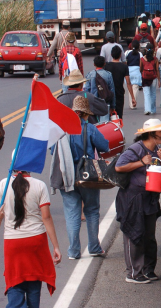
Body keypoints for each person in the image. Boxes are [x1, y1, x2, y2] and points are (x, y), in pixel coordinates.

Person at [0, 166, 61, 307]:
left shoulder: (4, 185)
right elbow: (46, 217)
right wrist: (56, 246)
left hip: (12, 243)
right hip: (36, 241)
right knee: (34, 284)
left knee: (14, 283)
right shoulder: (39, 185)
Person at [115, 119, 161, 284]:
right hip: (134, 199)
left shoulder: (158, 149)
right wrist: (141, 162)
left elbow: (159, 171)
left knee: (149, 236)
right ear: (152, 134)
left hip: (150, 198)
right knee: (135, 234)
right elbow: (119, 167)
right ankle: (134, 273)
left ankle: (149, 270)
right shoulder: (135, 149)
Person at [62, 96, 109, 260]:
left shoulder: (62, 130)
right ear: (84, 114)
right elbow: (105, 146)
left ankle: (74, 251)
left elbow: (54, 152)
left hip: (66, 175)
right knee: (92, 210)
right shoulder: (90, 129)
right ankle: (94, 247)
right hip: (87, 175)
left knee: (72, 213)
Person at [105, 46, 136, 119]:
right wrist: (133, 98)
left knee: (109, 116)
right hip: (119, 93)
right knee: (119, 116)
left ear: (111, 55)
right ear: (120, 55)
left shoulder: (106, 66)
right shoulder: (124, 67)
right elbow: (128, 82)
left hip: (108, 93)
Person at [140, 44, 160, 116]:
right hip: (153, 78)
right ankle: (153, 109)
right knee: (153, 94)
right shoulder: (155, 59)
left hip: (145, 78)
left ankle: (147, 109)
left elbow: (140, 69)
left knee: (146, 94)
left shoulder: (142, 59)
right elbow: (157, 70)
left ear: (146, 49)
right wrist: (159, 80)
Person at [124, 40, 142, 110]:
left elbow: (125, 62)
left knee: (129, 88)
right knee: (135, 88)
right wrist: (140, 71)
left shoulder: (127, 52)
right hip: (137, 71)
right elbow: (141, 64)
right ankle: (133, 103)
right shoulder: (140, 54)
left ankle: (130, 103)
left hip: (129, 71)